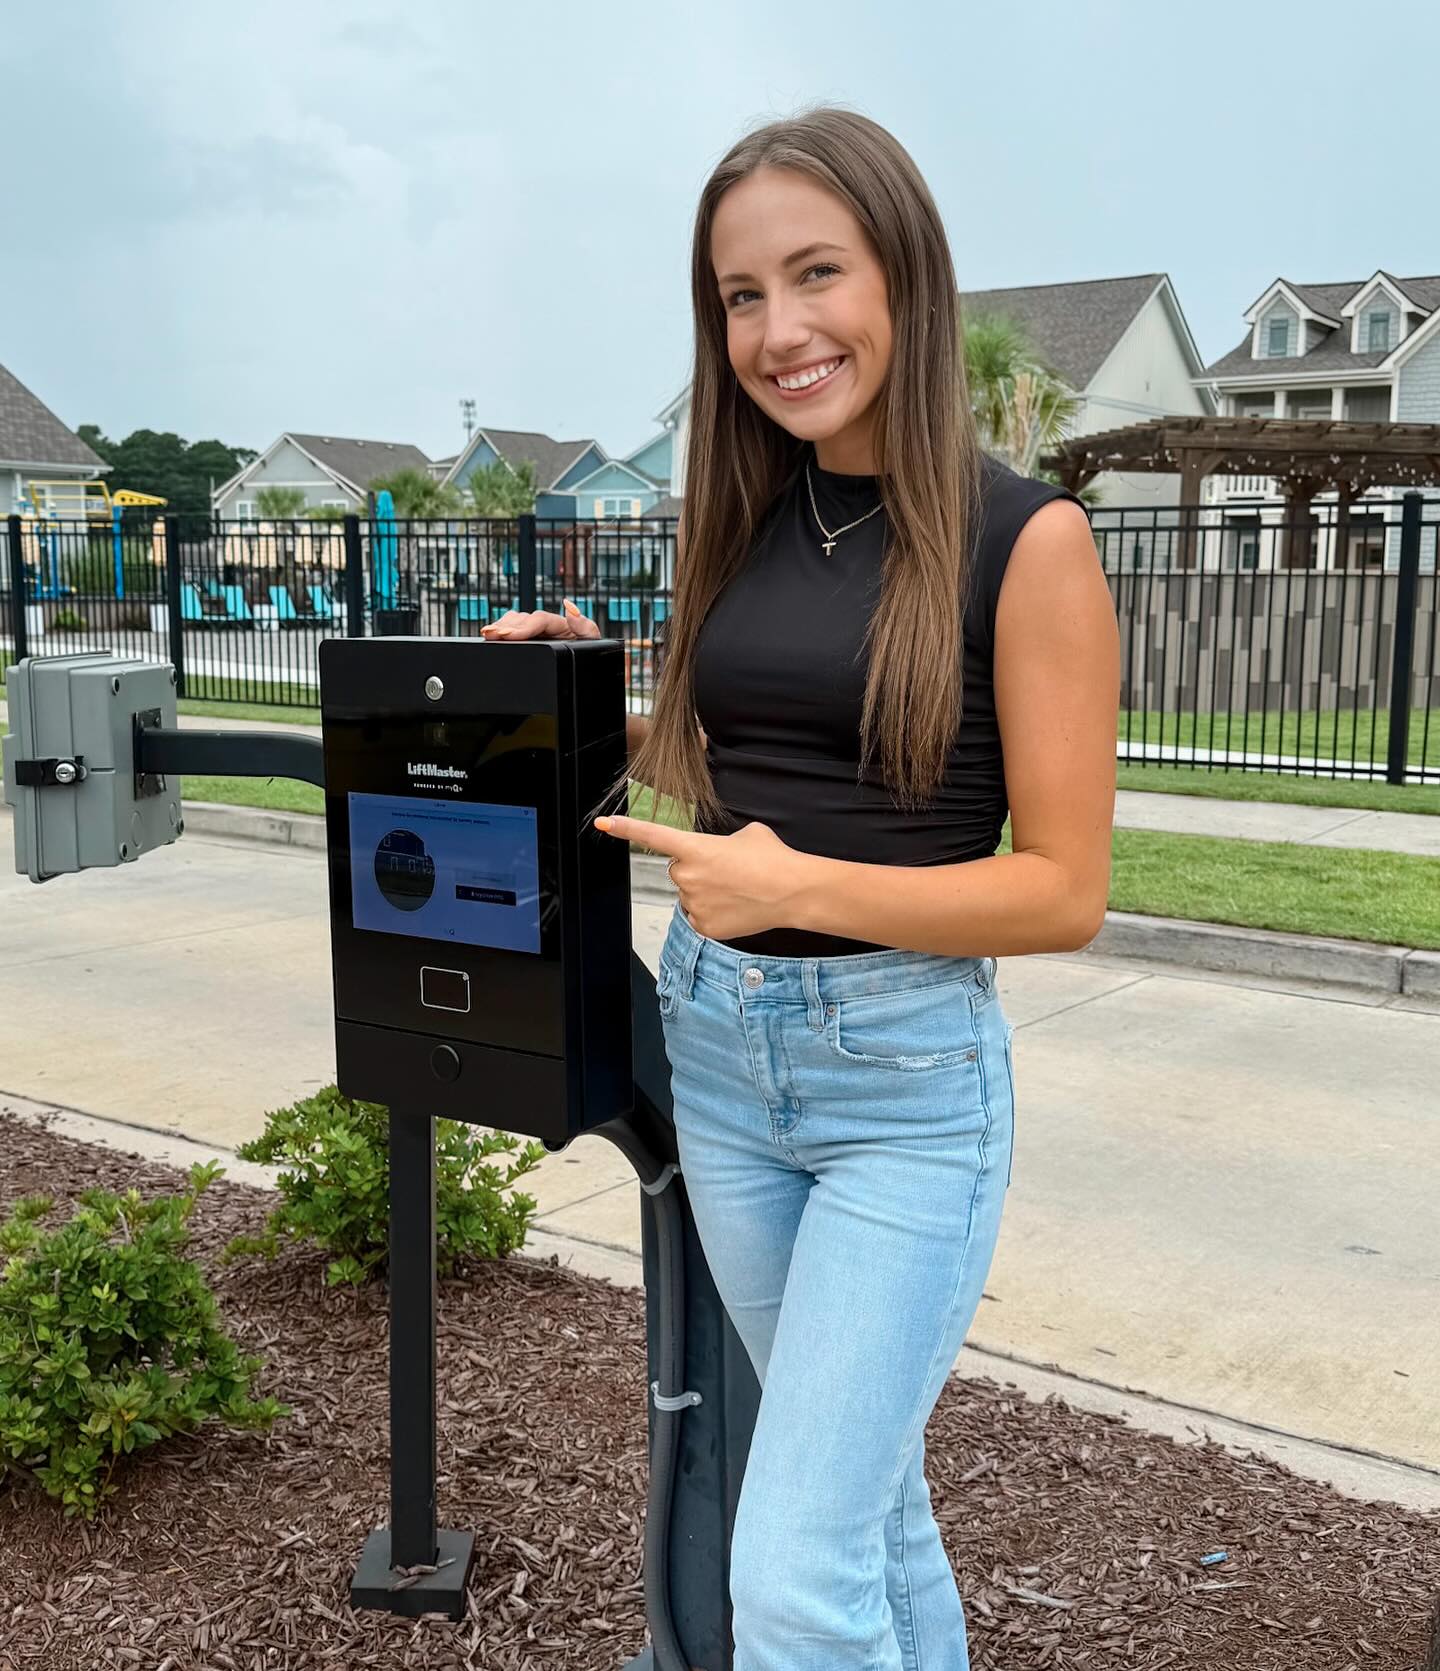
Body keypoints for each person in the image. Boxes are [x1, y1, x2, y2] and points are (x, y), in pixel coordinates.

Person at [480, 106, 1119, 1671]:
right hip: (723, 1057)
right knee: (870, 1518)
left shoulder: (1024, 541)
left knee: (795, 1576)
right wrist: (602, 708)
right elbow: (752, 760)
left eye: (815, 274)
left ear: (902, 274)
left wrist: (790, 884)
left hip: (901, 1085)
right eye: (741, 297)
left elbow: (1060, 892)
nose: (779, 330)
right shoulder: (754, 514)